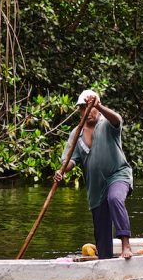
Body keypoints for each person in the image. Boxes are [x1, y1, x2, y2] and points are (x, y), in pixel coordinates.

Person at [55, 90, 135, 259]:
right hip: (96, 189)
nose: (86, 112)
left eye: (89, 107)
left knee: (115, 198)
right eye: (82, 108)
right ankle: (105, 260)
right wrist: (62, 170)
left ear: (97, 108)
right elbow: (70, 161)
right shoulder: (76, 134)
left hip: (118, 175)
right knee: (102, 241)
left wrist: (99, 105)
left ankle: (126, 246)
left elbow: (118, 119)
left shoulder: (107, 125)